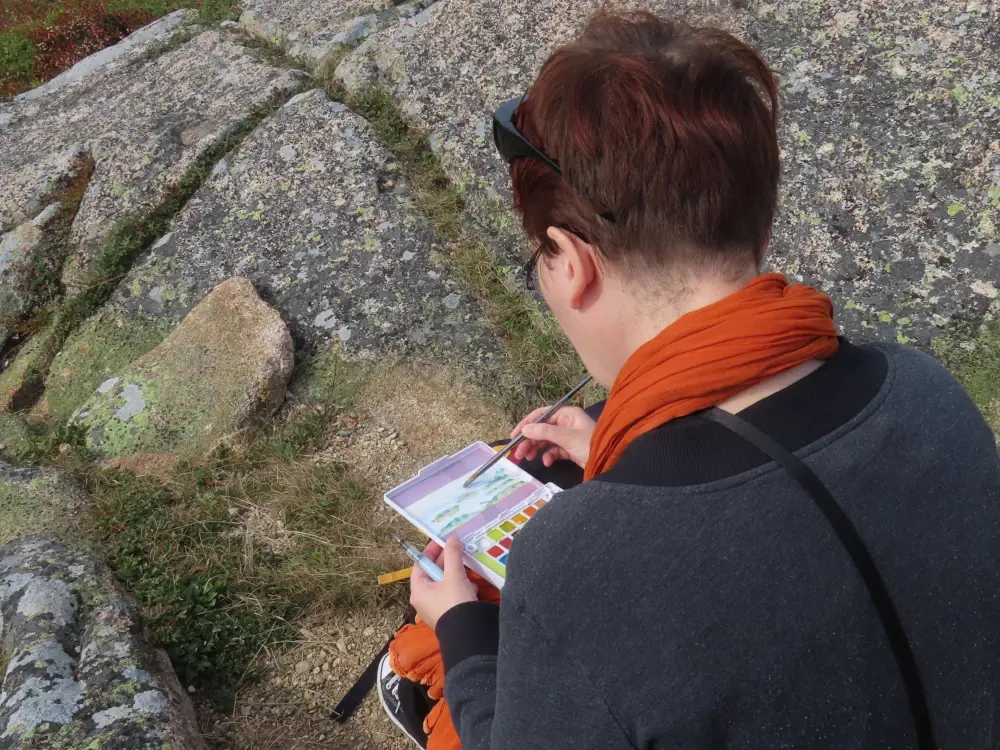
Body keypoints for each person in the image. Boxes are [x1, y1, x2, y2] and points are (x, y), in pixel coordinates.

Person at [379, 9, 1000, 749]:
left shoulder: (581, 566)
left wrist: (466, 630)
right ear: (759, 229)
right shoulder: (925, 393)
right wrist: (619, 439)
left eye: (536, 263)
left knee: (425, 666)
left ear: (570, 263)